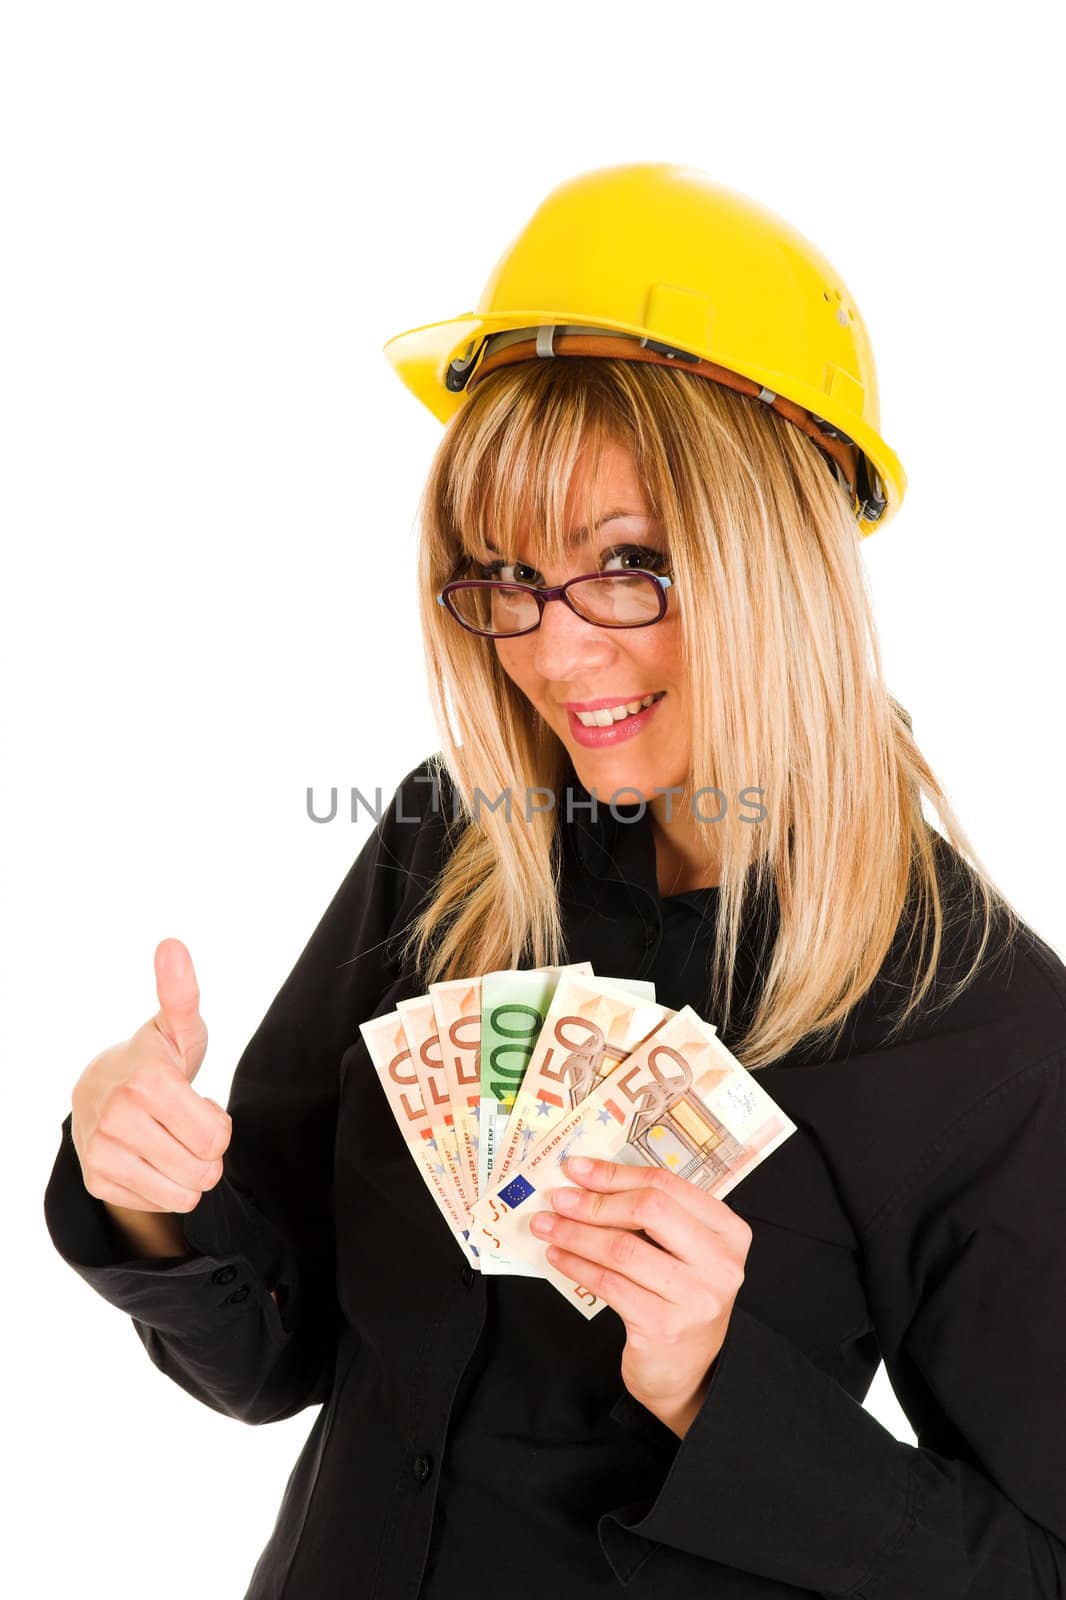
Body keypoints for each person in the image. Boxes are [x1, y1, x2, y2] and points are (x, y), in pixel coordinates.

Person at [44, 162, 1066, 1598]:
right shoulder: (453, 840)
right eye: (502, 577)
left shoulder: (979, 1024)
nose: (551, 651)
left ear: (781, 554)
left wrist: (714, 1386)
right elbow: (274, 1354)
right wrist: (152, 1191)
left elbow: (1030, 1565)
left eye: (629, 565)